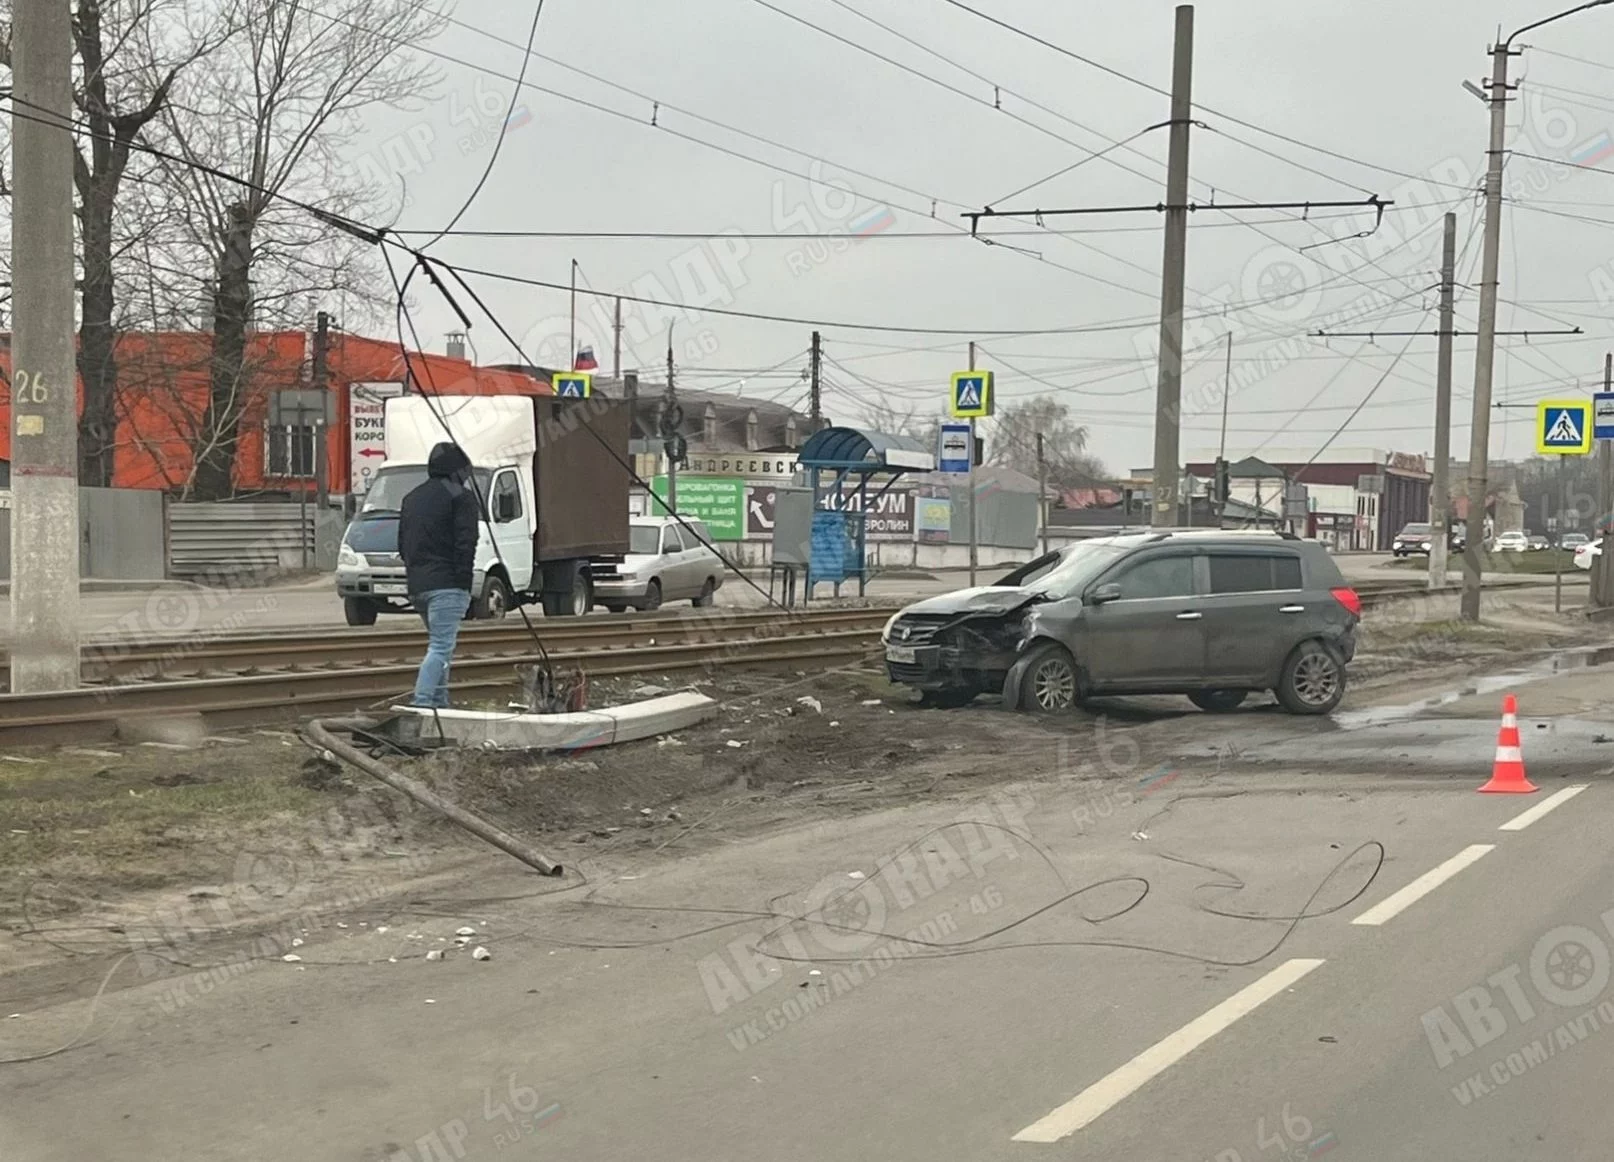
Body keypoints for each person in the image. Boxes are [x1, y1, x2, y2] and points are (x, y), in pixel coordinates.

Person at [398, 442, 479, 708]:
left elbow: (402, 543)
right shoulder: (462, 497)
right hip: (448, 584)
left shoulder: (411, 497)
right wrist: (464, 583)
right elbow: (466, 543)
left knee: (442, 648)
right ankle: (421, 706)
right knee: (441, 648)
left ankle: (440, 708)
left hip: (418, 584)